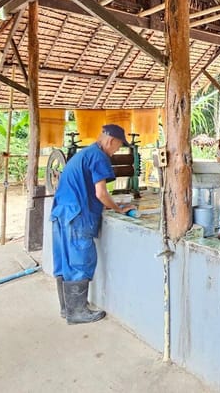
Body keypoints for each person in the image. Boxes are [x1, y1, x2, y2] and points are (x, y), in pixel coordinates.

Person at [51, 124, 133, 324]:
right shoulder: (99, 156)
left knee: (64, 261)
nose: (117, 151)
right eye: (119, 146)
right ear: (111, 141)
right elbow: (101, 193)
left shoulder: (85, 153)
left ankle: (67, 308)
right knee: (81, 260)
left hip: (62, 213)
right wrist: (118, 208)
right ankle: (77, 312)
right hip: (77, 216)